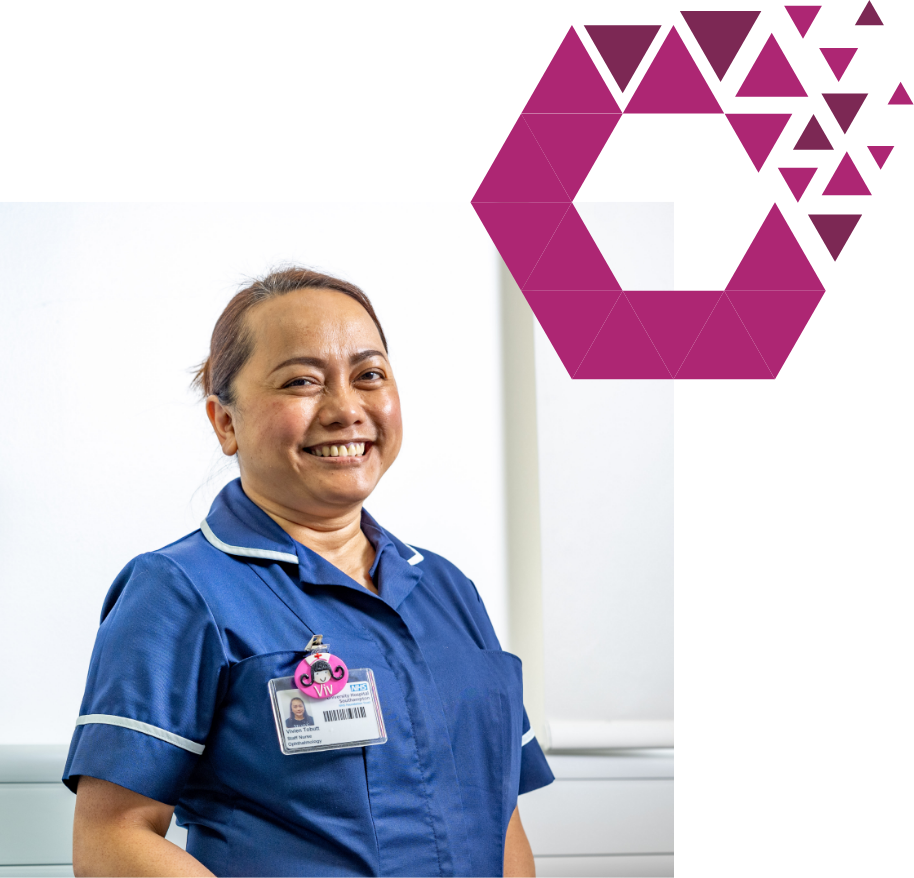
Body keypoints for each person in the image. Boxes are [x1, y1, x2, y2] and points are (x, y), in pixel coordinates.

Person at [65, 267, 554, 878]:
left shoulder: (449, 590)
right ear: (224, 421)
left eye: (369, 375)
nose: (346, 409)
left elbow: (499, 814)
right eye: (302, 381)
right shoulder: (180, 592)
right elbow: (113, 838)